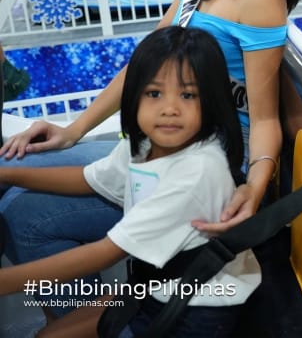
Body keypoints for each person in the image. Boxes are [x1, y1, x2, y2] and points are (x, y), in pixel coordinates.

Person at [0, 0, 302, 313]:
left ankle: (90, 322)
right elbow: (146, 65)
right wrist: (73, 130)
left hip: (204, 164)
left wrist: (254, 187)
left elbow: (264, 117)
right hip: (161, 143)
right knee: (16, 177)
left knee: (22, 216)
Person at [0, 26, 261, 336]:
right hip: (153, 285)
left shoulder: (197, 172)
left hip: (193, 308)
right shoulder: (147, 144)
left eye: (188, 95)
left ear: (212, 101)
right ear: (134, 95)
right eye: (154, 93)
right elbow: (89, 178)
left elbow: (106, 253)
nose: (169, 109)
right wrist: (7, 173)